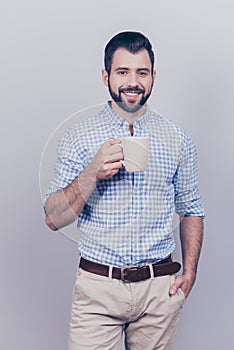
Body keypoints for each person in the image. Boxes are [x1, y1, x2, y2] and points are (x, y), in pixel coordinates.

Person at [44, 31, 205, 350]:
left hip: (159, 292)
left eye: (141, 72)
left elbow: (191, 209)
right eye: (123, 71)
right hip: (97, 291)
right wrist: (93, 172)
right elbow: (52, 218)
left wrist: (190, 274)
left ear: (153, 77)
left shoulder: (177, 138)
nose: (133, 81)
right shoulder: (79, 137)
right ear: (106, 76)